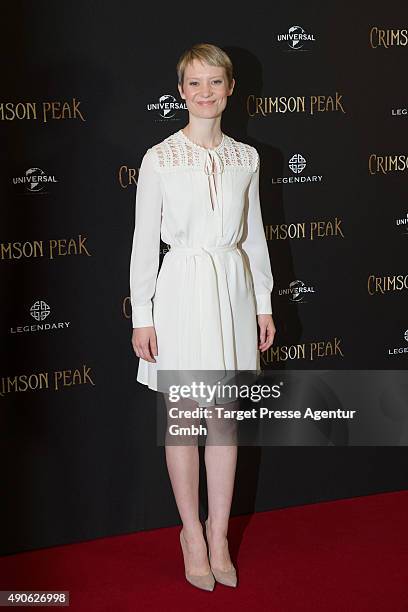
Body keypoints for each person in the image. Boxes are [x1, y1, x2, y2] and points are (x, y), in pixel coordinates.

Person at [129, 43, 276, 591]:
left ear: (230, 88)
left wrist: (263, 302)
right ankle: (190, 532)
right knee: (186, 421)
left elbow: (254, 237)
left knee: (224, 422)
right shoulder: (160, 158)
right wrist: (142, 315)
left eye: (216, 82)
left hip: (233, 292)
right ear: (181, 90)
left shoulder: (247, 158)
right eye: (195, 83)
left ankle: (219, 534)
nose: (206, 92)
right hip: (182, 292)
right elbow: (144, 245)